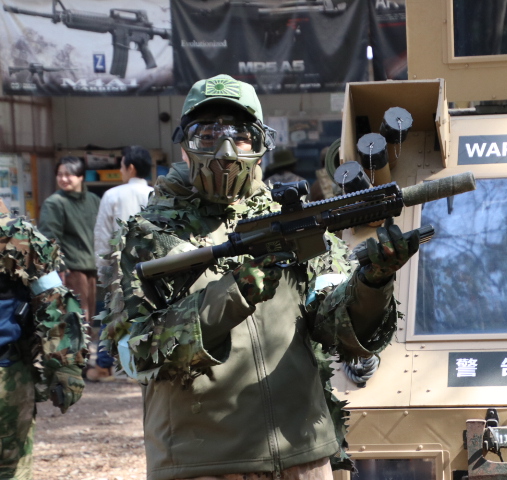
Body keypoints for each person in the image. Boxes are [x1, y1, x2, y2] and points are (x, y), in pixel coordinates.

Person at [98, 74, 418, 480]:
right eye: (207, 135)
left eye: (240, 135)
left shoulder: (291, 220)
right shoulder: (148, 236)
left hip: (303, 455)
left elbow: (335, 326)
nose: (226, 151)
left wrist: (372, 283)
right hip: (204, 465)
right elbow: (136, 353)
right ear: (184, 145)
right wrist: (234, 292)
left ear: (261, 144)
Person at [0, 199, 88, 479]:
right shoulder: (14, 234)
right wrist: (66, 367)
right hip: (6, 374)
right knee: (9, 469)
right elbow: (53, 299)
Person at [87, 145, 154, 382]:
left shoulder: (112, 195)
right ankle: (146, 364)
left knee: (113, 313)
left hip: (119, 265)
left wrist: (102, 268)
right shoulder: (156, 194)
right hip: (152, 266)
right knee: (150, 312)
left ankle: (104, 366)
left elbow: (103, 235)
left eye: (122, 165)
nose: (121, 170)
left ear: (130, 167)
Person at [38, 156, 100, 324]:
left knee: (89, 318)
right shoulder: (54, 203)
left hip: (92, 267)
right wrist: (59, 269)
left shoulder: (93, 200)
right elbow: (49, 238)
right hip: (70, 270)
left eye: (68, 174)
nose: (63, 179)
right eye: (60, 174)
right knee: (77, 319)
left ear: (81, 176)